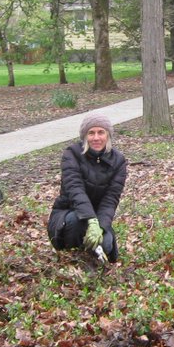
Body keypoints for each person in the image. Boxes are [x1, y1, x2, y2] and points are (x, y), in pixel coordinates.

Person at [47, 112, 129, 262]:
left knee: (106, 244)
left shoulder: (119, 161)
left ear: (108, 135)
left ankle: (93, 259)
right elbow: (75, 190)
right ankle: (71, 257)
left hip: (100, 218)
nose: (96, 138)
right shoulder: (71, 154)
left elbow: (111, 200)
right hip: (67, 216)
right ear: (85, 136)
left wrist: (101, 226)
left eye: (101, 132)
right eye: (91, 133)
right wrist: (91, 220)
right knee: (77, 222)